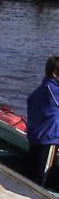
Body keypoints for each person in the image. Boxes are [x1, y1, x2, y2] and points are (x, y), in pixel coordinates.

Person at [27, 56, 59, 187]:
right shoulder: (54, 91)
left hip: (35, 138)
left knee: (32, 176)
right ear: (55, 73)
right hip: (48, 140)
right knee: (40, 180)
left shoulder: (39, 90)